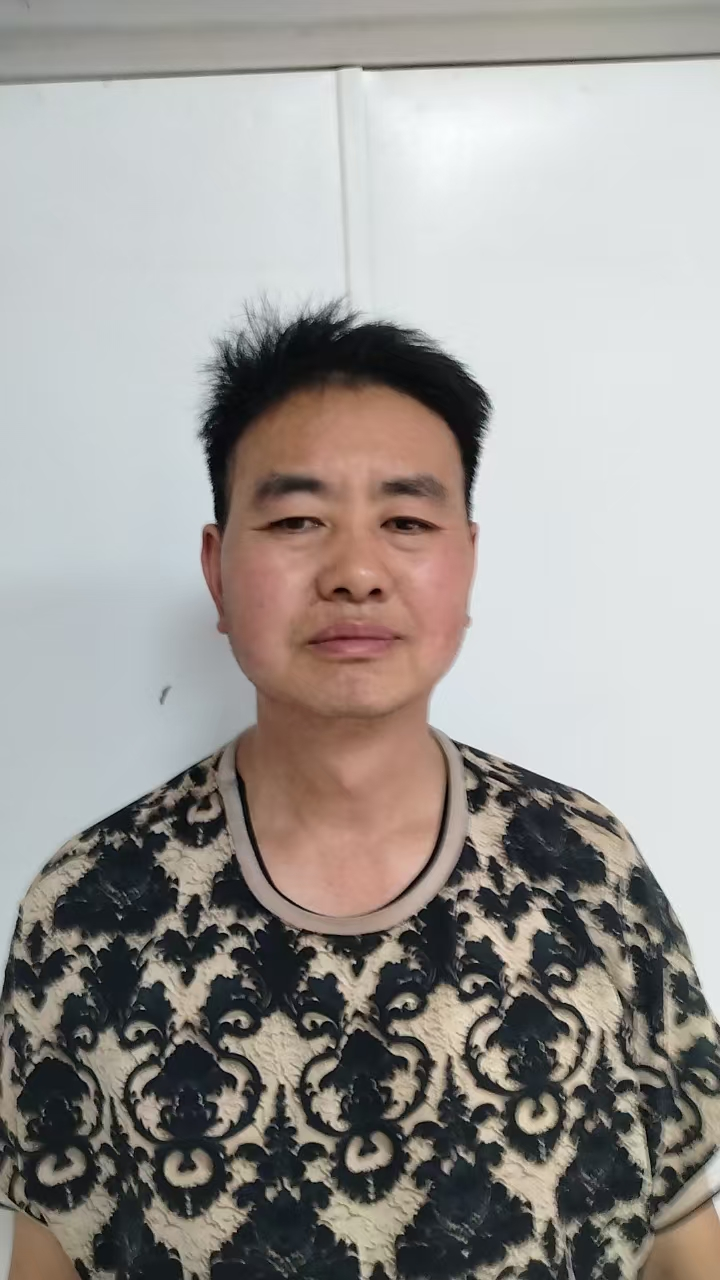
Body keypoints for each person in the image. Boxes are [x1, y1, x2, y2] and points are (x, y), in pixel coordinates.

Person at [1, 302, 719, 1280]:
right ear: (217, 569)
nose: (354, 571)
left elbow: (681, 1239)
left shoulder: (586, 866)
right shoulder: (87, 905)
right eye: (297, 520)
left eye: (406, 521)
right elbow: (47, 1254)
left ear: (467, 560)